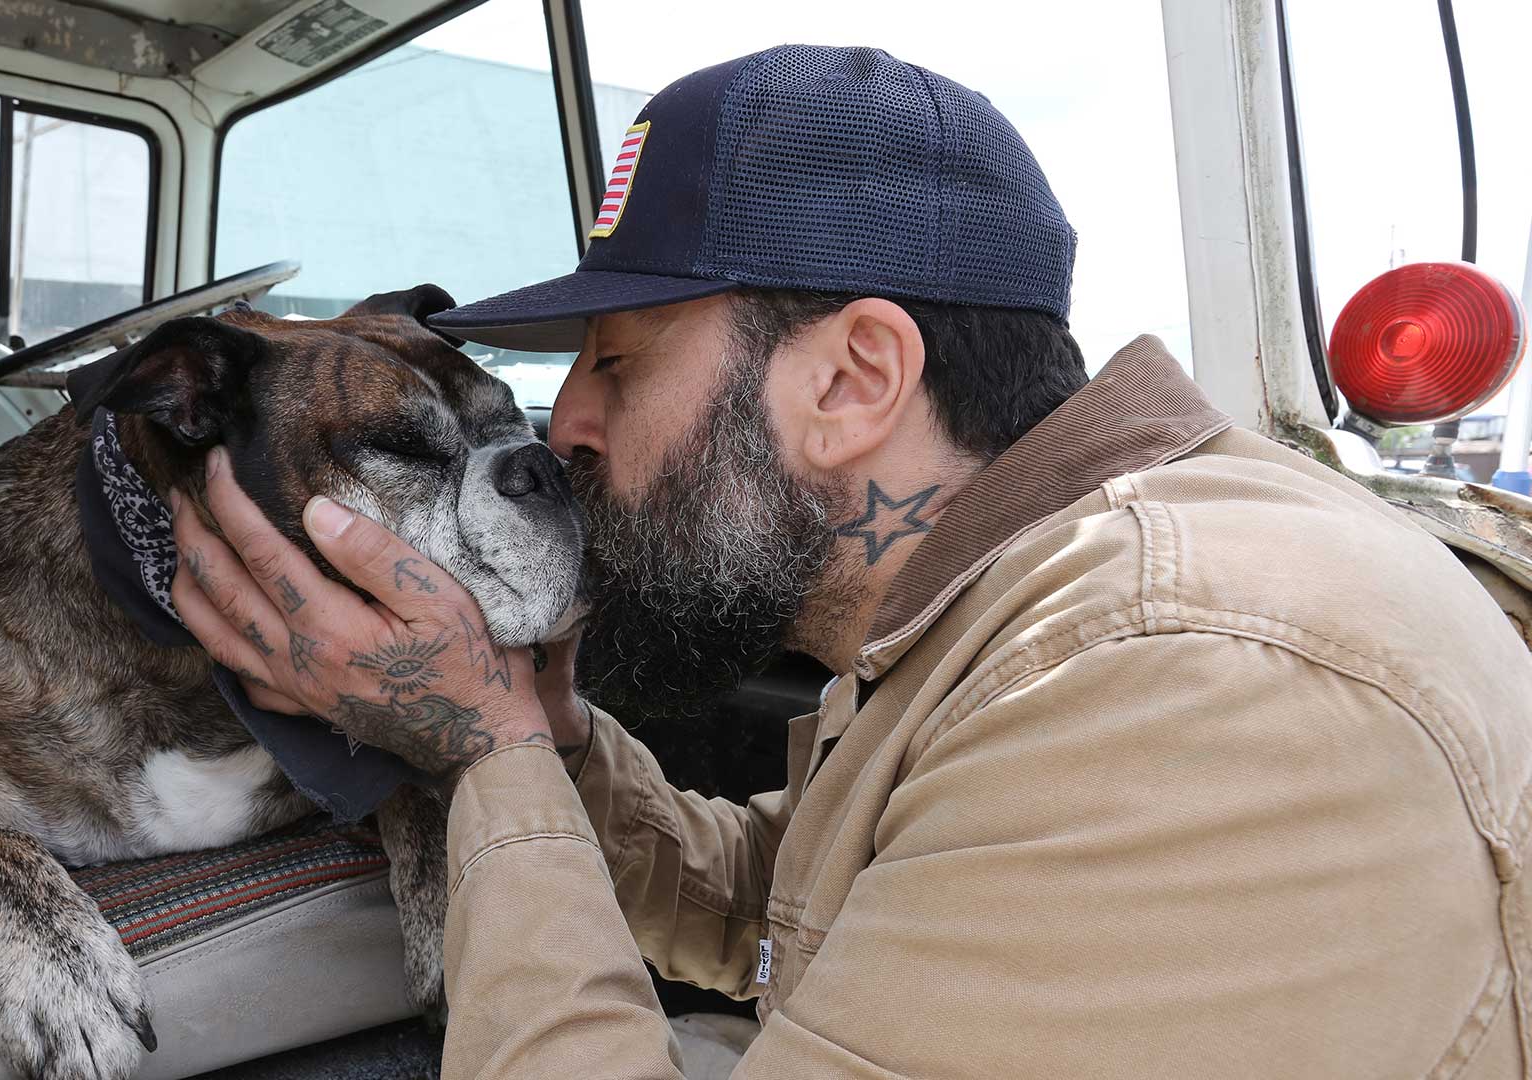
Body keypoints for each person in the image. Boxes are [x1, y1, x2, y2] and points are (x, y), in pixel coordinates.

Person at [166, 44, 1532, 1078]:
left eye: (617, 365)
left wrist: (488, 754)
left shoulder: (1185, 678)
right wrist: (557, 740)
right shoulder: (997, 610)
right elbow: (796, 905)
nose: (566, 424)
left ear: (854, 379)